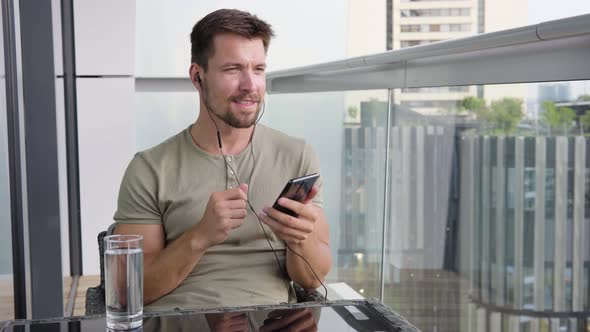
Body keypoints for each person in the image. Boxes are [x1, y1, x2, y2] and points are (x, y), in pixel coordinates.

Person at [113, 8, 332, 311]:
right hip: (180, 321)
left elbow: (312, 280)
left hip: (271, 321)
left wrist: (298, 240)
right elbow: (128, 292)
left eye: (258, 69)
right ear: (197, 76)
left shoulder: (297, 156)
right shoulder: (150, 168)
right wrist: (200, 236)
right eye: (233, 69)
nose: (250, 85)